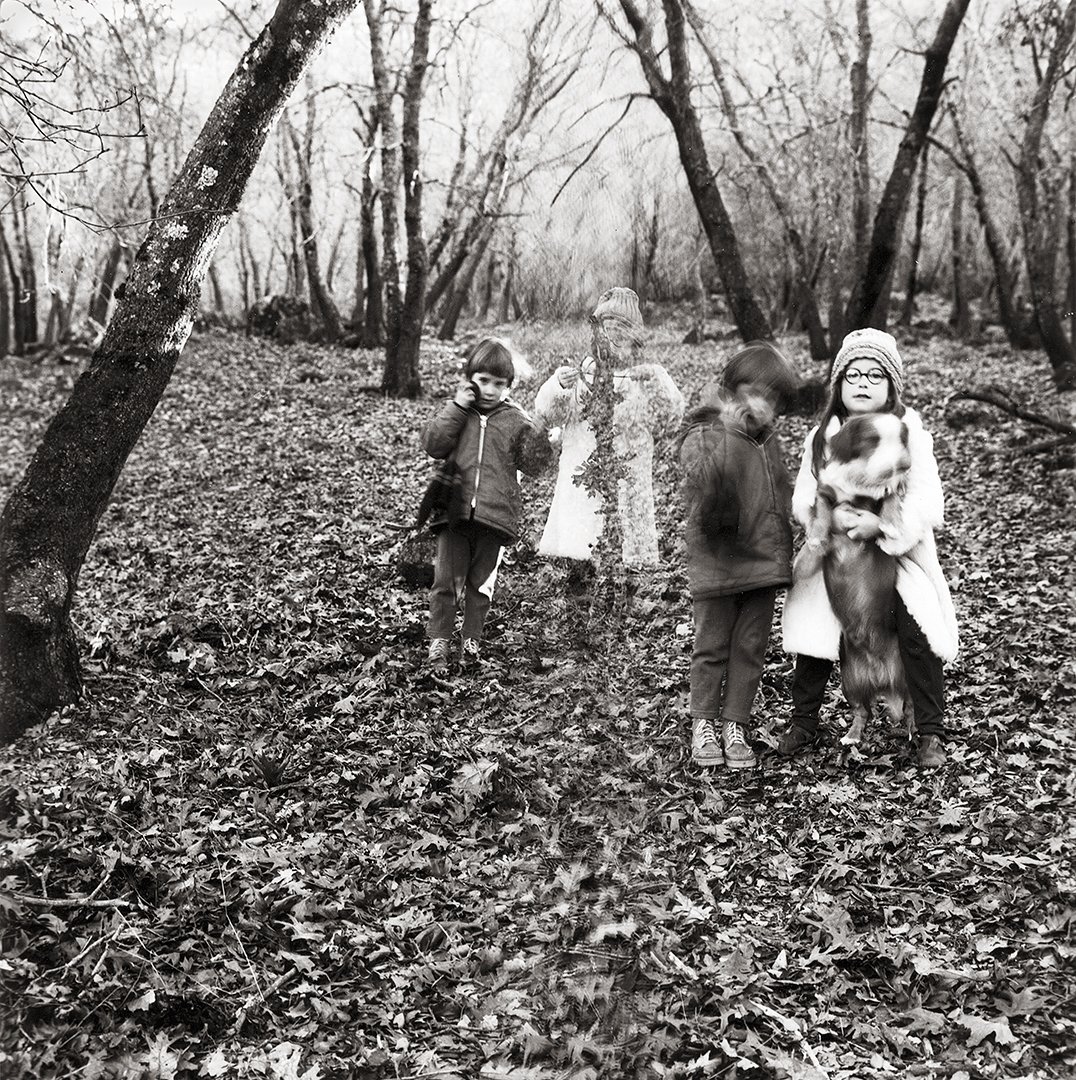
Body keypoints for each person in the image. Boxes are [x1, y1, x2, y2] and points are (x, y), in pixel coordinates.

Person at [779, 328, 959, 768]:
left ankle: (930, 729)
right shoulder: (822, 437)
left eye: (875, 375)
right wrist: (824, 517)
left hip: (894, 560)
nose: (862, 383)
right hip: (837, 558)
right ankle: (804, 719)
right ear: (838, 385)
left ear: (892, 386)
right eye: (853, 374)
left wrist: (881, 524)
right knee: (814, 629)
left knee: (918, 629)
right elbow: (805, 490)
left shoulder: (908, 433)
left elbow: (926, 499)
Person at [677, 341, 801, 768]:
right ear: (730, 390)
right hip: (718, 563)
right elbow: (698, 474)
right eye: (753, 392)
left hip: (763, 566)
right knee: (711, 645)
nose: (761, 406)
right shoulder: (706, 431)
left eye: (772, 399)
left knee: (750, 648)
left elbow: (781, 498)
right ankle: (703, 721)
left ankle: (735, 723)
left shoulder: (772, 443)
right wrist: (727, 432)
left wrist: (787, 552)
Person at [421, 337, 553, 672]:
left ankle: (472, 639)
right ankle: (440, 640)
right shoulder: (459, 412)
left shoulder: (515, 420)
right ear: (469, 380)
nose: (491, 390)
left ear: (509, 385)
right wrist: (457, 406)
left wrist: (541, 439)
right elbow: (434, 444)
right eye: (483, 381)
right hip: (455, 511)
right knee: (446, 580)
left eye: (499, 384)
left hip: (495, 516)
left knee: (481, 583)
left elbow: (533, 466)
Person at [533, 287, 684, 569]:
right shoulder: (583, 372)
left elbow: (670, 421)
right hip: (582, 480)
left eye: (623, 327)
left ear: (634, 335)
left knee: (624, 557)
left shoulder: (644, 377)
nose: (613, 335)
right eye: (607, 326)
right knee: (580, 553)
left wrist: (659, 384)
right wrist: (558, 386)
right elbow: (548, 414)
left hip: (628, 481)